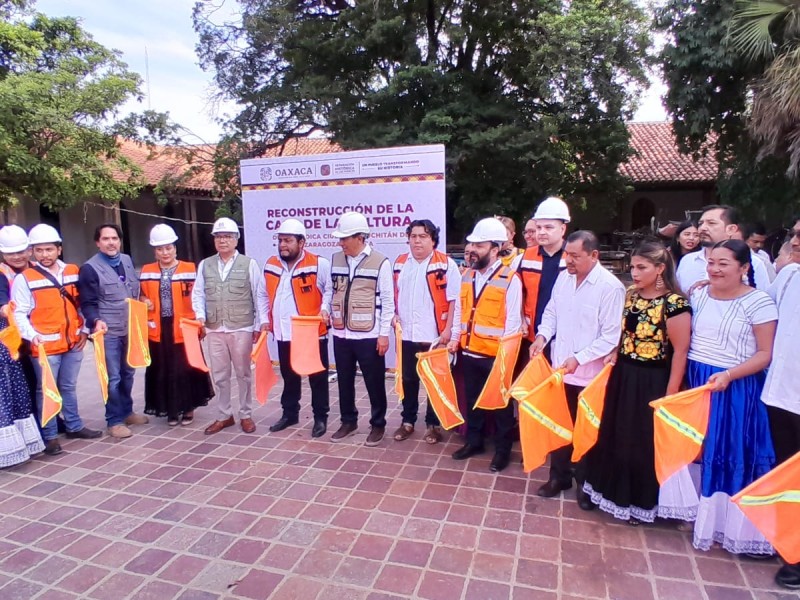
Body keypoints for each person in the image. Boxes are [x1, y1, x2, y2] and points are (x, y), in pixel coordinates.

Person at [582, 241, 692, 523]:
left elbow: (680, 351)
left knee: (641, 440)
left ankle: (639, 501)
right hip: (624, 374)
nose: (634, 272)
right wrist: (613, 353)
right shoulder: (631, 295)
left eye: (641, 267)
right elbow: (621, 334)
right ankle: (606, 490)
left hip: (652, 379)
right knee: (615, 432)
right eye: (632, 267)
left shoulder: (675, 304)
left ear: (660, 269)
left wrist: (669, 394)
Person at [686, 239, 777, 555]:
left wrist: (729, 375)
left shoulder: (759, 302)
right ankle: (700, 517)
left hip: (735, 387)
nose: (715, 269)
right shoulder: (698, 295)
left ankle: (734, 529)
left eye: (724, 263)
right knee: (698, 450)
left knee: (732, 451)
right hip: (698, 382)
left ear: (744, 268)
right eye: (711, 262)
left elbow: (765, 354)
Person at [531, 231, 626, 509]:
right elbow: (551, 313)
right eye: (567, 255)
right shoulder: (563, 278)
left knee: (587, 431)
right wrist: (542, 337)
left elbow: (610, 337)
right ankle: (558, 477)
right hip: (560, 369)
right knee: (559, 425)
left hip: (589, 375)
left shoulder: (610, 287)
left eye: (575, 256)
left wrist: (579, 358)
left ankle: (586, 485)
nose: (568, 261)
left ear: (594, 255)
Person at [13, 224, 101, 456]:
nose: (45, 254)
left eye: (49, 249)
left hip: (73, 343)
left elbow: (82, 303)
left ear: (59, 249)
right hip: (45, 347)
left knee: (69, 387)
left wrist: (83, 329)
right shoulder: (26, 279)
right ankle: (50, 436)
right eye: (39, 250)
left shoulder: (73, 271)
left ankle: (73, 426)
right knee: (46, 391)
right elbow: (19, 312)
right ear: (32, 252)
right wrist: (33, 336)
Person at [447, 217, 522, 473]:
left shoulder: (511, 279)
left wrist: (504, 359)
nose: (473, 250)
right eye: (473, 245)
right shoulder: (466, 275)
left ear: (495, 248)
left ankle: (502, 452)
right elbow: (459, 312)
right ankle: (474, 442)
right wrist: (455, 340)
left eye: (480, 245)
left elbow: (513, 325)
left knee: (501, 407)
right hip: (469, 352)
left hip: (495, 357)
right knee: (473, 402)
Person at [258, 219, 332, 438]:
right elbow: (263, 294)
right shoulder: (271, 264)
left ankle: (320, 417)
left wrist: (325, 309)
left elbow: (329, 290)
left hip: (311, 333)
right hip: (282, 333)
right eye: (280, 240)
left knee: (317, 377)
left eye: (288, 241)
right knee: (289, 376)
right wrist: (264, 319)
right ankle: (290, 414)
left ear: (302, 242)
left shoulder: (319, 264)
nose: (283, 245)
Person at [192, 218, 264, 435]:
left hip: (241, 326)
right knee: (220, 375)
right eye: (219, 237)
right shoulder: (205, 264)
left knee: (243, 374)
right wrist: (200, 317)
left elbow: (258, 294)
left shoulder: (249, 264)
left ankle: (245, 414)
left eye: (227, 237)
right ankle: (224, 415)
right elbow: (198, 293)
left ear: (236, 240)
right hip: (215, 328)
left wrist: (259, 324)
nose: (222, 240)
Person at [329, 211, 394, 446]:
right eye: (340, 238)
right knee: (344, 380)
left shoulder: (380, 262)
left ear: (360, 237)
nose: (341, 243)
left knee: (374, 381)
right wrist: (326, 310)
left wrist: (384, 335)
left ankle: (378, 425)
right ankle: (348, 421)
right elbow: (330, 290)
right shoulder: (336, 259)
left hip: (369, 335)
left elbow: (388, 301)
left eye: (345, 238)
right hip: (341, 333)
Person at [392, 219, 460, 445]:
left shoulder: (446, 264)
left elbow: (455, 301)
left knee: (434, 381)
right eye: (413, 236)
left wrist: (449, 330)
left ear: (433, 240)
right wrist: (393, 314)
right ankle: (408, 421)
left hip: (435, 336)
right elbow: (393, 294)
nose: (417, 241)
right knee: (409, 379)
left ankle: (434, 424)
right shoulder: (401, 263)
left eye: (423, 236)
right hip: (408, 334)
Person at [78, 223, 148, 439]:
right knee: (112, 376)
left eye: (114, 238)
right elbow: (87, 303)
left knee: (128, 372)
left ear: (120, 240)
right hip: (108, 331)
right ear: (98, 243)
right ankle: (114, 420)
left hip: (130, 327)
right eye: (106, 239)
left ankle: (127, 412)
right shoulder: (89, 268)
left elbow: (135, 290)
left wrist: (144, 299)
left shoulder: (126, 261)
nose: (111, 243)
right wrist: (95, 321)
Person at [140, 224, 213, 427]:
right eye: (160, 249)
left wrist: (201, 320)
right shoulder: (146, 271)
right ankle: (170, 410)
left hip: (184, 327)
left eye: (168, 247)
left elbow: (200, 297)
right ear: (154, 250)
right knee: (162, 368)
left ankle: (187, 408)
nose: (165, 252)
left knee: (185, 368)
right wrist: (144, 299)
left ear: (175, 247)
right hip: (158, 328)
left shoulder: (190, 269)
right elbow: (140, 294)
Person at [762, 224, 800, 589]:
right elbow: (759, 305)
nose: (796, 241)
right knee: (787, 474)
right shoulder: (789, 275)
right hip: (779, 394)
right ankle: (789, 544)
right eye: (797, 233)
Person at [0, 226, 45, 466]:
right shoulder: (1, 274)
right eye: (11, 253)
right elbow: (3, 305)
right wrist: (9, 310)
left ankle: (42, 431)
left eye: (21, 251)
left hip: (35, 336)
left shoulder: (37, 272)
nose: (17, 257)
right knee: (15, 389)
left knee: (36, 385)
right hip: (9, 342)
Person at [518, 197, 569, 362]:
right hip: (532, 337)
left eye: (548, 227)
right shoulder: (527, 256)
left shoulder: (574, 256)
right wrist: (520, 320)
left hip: (564, 339)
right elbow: (518, 293)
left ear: (563, 229)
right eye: (538, 227)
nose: (541, 232)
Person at [676, 205, 770, 292]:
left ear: (731, 229)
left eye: (711, 223)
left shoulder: (753, 263)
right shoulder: (687, 260)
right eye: (700, 223)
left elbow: (762, 300)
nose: (703, 228)